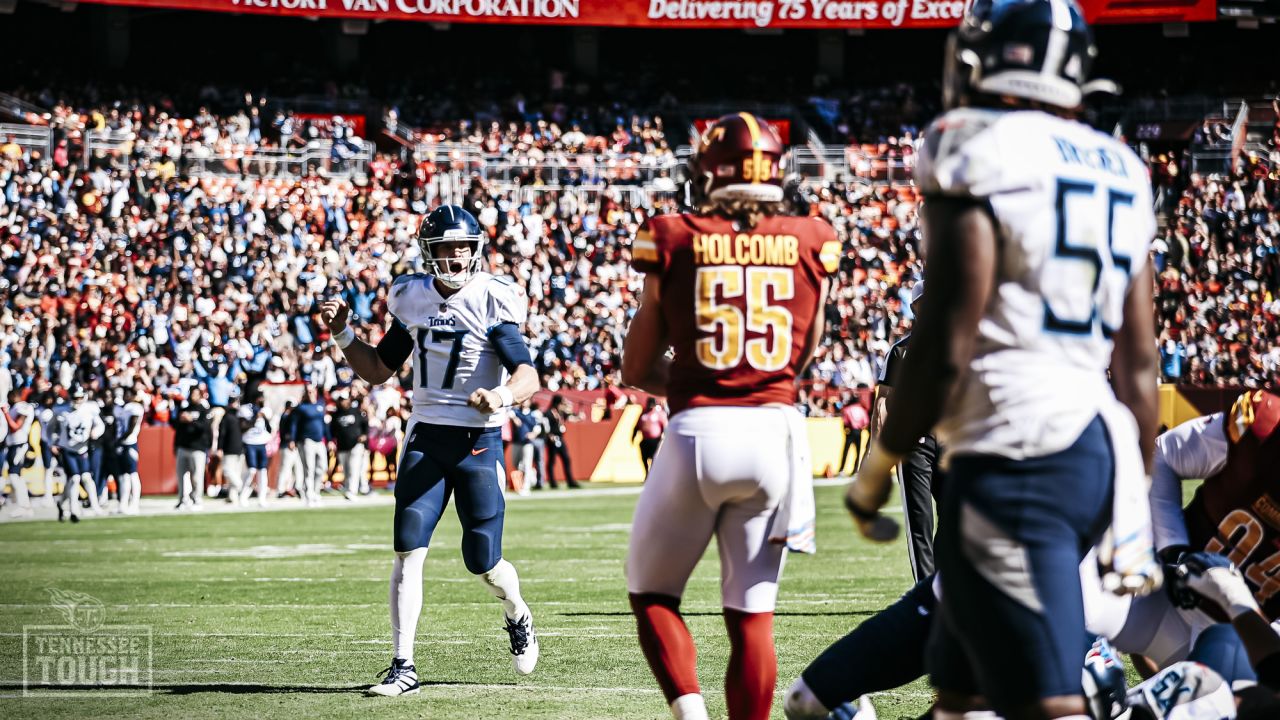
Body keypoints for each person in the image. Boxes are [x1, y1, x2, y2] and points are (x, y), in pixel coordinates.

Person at [843, 3, 1162, 718]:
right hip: (1089, 450)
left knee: (1052, 700)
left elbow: (947, 344)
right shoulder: (1122, 168)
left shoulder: (973, 144)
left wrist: (875, 470)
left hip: (1015, 453)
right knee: (962, 695)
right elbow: (1140, 367)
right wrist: (1132, 496)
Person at [621, 112, 839, 720]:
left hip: (699, 430)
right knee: (751, 612)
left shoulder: (672, 233)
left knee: (653, 592)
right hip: (774, 436)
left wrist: (700, 380)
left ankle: (691, 716)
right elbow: (805, 351)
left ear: (706, 173)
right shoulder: (812, 236)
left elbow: (637, 367)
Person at [320, 203, 542, 697]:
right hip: (426, 437)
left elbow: (527, 374)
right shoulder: (411, 297)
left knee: (482, 561)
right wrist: (341, 333)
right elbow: (379, 368)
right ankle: (403, 665)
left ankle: (516, 610)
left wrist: (501, 394)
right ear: (429, 252)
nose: (456, 255)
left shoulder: (492, 299)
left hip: (478, 442)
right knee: (408, 549)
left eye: (464, 246)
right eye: (446, 247)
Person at [871, 280, 947, 581]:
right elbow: (883, 403)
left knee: (956, 516)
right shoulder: (900, 352)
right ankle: (925, 593)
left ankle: (941, 584)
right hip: (914, 443)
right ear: (915, 308)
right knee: (920, 521)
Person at [54, 387, 105, 523]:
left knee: (86, 477)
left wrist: (96, 432)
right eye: (75, 398)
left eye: (80, 397)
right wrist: (52, 443)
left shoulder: (90, 409)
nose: (77, 401)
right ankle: (74, 510)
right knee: (75, 478)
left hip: (82, 449)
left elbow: (100, 425)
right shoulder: (61, 411)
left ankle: (94, 505)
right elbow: (50, 430)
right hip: (67, 449)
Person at [173, 386, 213, 510]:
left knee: (197, 476)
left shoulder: (204, 410)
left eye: (196, 394)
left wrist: (190, 421)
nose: (193, 397)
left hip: (198, 448)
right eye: (192, 394)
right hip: (183, 447)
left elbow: (205, 428)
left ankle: (197, 499)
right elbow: (177, 429)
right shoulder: (184, 409)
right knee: (182, 476)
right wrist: (175, 445)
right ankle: (183, 499)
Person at [289, 385, 330, 507]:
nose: (310, 393)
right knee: (309, 469)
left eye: (312, 391)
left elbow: (324, 424)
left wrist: (329, 439)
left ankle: (316, 491)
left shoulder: (320, 406)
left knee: (322, 467)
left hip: (319, 441)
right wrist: (292, 439)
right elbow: (294, 425)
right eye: (308, 391)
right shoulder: (301, 408)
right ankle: (309, 494)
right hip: (306, 441)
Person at [331, 392, 370, 500]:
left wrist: (364, 435)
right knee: (346, 470)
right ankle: (348, 489)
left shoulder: (356, 411)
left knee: (354, 468)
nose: (342, 402)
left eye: (344, 399)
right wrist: (332, 441)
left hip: (356, 445)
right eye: (341, 400)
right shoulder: (336, 414)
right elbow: (332, 430)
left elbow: (365, 424)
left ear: (348, 400)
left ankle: (352, 491)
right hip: (342, 445)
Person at [2, 389, 35, 517]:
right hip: (13, 444)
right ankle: (25, 506)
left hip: (19, 443)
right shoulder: (16, 407)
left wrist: (5, 414)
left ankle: (23, 505)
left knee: (14, 475)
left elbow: (16, 427)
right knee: (17, 476)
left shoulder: (22, 407)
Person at [115, 387, 145, 515]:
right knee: (123, 476)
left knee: (132, 474)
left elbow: (131, 427)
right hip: (121, 444)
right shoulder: (120, 408)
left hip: (130, 443)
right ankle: (123, 503)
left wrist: (119, 440)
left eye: (128, 394)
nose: (125, 396)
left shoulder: (135, 407)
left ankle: (135, 503)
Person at [239, 400, 274, 507]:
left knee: (262, 471)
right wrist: (256, 417)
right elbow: (243, 426)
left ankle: (262, 498)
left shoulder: (263, 411)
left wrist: (264, 417)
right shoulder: (246, 410)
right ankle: (243, 495)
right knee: (251, 470)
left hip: (261, 444)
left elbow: (269, 429)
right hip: (250, 443)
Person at [543, 395, 579, 489]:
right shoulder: (548, 413)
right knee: (552, 461)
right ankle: (552, 482)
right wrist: (549, 435)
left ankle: (570, 481)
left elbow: (572, 416)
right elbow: (546, 426)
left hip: (560, 438)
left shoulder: (560, 413)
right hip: (552, 440)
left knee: (566, 459)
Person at [218, 397, 248, 507]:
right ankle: (233, 495)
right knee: (231, 472)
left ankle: (237, 490)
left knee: (230, 472)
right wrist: (220, 447)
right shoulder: (228, 417)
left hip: (236, 449)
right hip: (231, 449)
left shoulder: (238, 417)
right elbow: (222, 433)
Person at [508, 400, 540, 495]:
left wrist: (533, 434)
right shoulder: (516, 412)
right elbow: (509, 412)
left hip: (527, 443)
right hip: (516, 442)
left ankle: (526, 487)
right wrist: (514, 418)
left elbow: (537, 427)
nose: (523, 403)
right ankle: (531, 475)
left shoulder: (532, 414)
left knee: (527, 463)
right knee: (516, 464)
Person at [632, 397, 667, 475]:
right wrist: (633, 436)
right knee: (644, 457)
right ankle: (647, 473)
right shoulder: (644, 413)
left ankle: (653, 473)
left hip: (656, 440)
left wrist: (665, 438)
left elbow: (665, 426)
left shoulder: (659, 413)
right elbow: (637, 426)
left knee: (655, 458)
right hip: (645, 439)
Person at [838, 389, 869, 476]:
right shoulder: (862, 410)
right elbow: (866, 422)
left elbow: (845, 422)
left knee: (846, 451)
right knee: (858, 452)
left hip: (850, 432)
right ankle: (855, 470)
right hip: (858, 432)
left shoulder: (847, 409)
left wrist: (846, 430)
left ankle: (842, 470)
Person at [276, 401, 303, 499]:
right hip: (287, 446)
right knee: (286, 468)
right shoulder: (286, 416)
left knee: (298, 468)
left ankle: (298, 487)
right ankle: (281, 489)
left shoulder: (290, 416)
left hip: (294, 446)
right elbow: (285, 432)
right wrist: (290, 440)